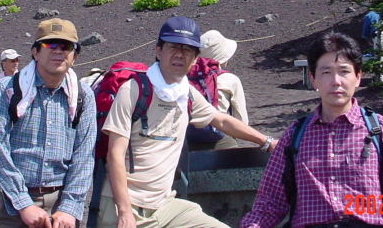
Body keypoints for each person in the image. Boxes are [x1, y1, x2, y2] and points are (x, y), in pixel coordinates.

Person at [98, 16, 278, 228]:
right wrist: (125, 213)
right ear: (158, 51)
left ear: (195, 59)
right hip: (124, 206)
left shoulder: (187, 94)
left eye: (188, 50)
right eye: (173, 47)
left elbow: (221, 120)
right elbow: (115, 155)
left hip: (165, 205)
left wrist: (267, 142)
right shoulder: (134, 90)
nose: (180, 55)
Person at [241, 32, 383, 228]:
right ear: (313, 79)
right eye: (326, 72)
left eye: (344, 71)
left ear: (358, 77)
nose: (336, 81)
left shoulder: (379, 129)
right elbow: (270, 202)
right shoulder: (295, 135)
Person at [0, 18, 96, 228]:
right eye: (50, 44)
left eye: (67, 46)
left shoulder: (83, 95)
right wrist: (23, 204)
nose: (58, 51)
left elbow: (84, 155)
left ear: (75, 56)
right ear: (35, 52)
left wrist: (69, 208)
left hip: (60, 207)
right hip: (9, 204)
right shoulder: (6, 90)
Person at [196, 29, 249, 149]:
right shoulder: (230, 79)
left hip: (188, 142)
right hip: (221, 139)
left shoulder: (186, 78)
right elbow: (242, 121)